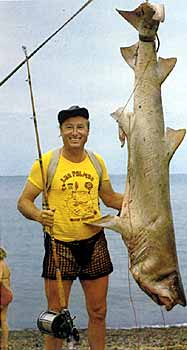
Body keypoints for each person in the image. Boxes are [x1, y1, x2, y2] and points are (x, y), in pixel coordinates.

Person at [17, 105, 123, 350]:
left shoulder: (96, 162)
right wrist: (38, 215)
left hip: (95, 243)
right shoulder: (47, 163)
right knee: (55, 317)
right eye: (69, 128)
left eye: (80, 127)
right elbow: (24, 201)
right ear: (61, 131)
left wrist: (140, 202)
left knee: (98, 312)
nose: (75, 132)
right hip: (59, 246)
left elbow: (109, 198)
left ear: (88, 131)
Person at [0, 247, 13, 350]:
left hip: (2, 293)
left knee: (3, 320)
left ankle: (3, 344)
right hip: (7, 293)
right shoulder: (5, 265)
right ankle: (4, 344)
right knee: (3, 319)